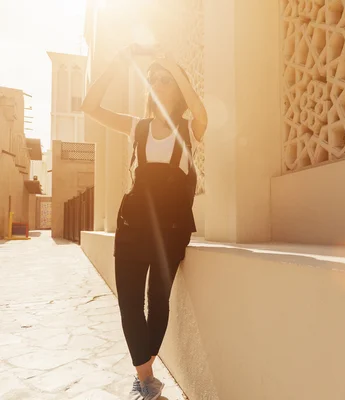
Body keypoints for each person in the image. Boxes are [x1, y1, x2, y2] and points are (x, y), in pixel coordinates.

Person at [81, 44, 208, 400]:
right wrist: (116, 63)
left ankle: (145, 378)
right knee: (129, 304)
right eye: (152, 78)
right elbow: (89, 107)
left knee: (158, 301)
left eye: (164, 79)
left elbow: (200, 108)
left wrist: (169, 61)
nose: (157, 83)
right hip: (133, 224)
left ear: (177, 87)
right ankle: (146, 379)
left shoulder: (190, 129)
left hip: (170, 228)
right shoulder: (136, 127)